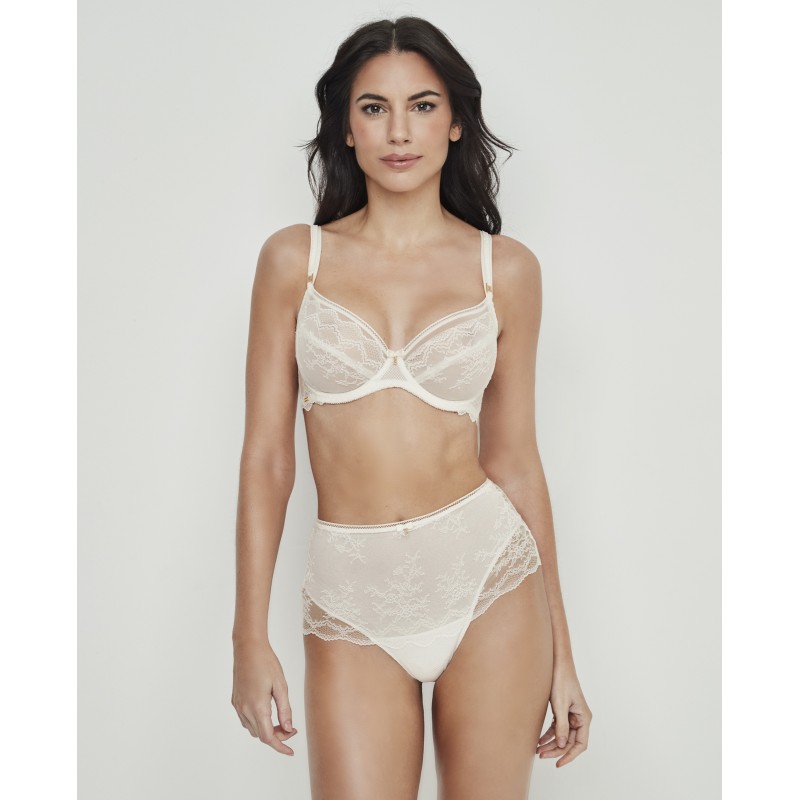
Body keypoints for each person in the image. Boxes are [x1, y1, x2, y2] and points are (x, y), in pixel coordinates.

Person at [231, 15, 592, 799]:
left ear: (456, 121)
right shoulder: (295, 260)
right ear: (346, 127)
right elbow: (267, 458)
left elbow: (515, 461)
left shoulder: (506, 271)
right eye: (374, 108)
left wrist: (563, 653)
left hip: (489, 578)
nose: (399, 131)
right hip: (350, 596)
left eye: (423, 106)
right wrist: (247, 637)